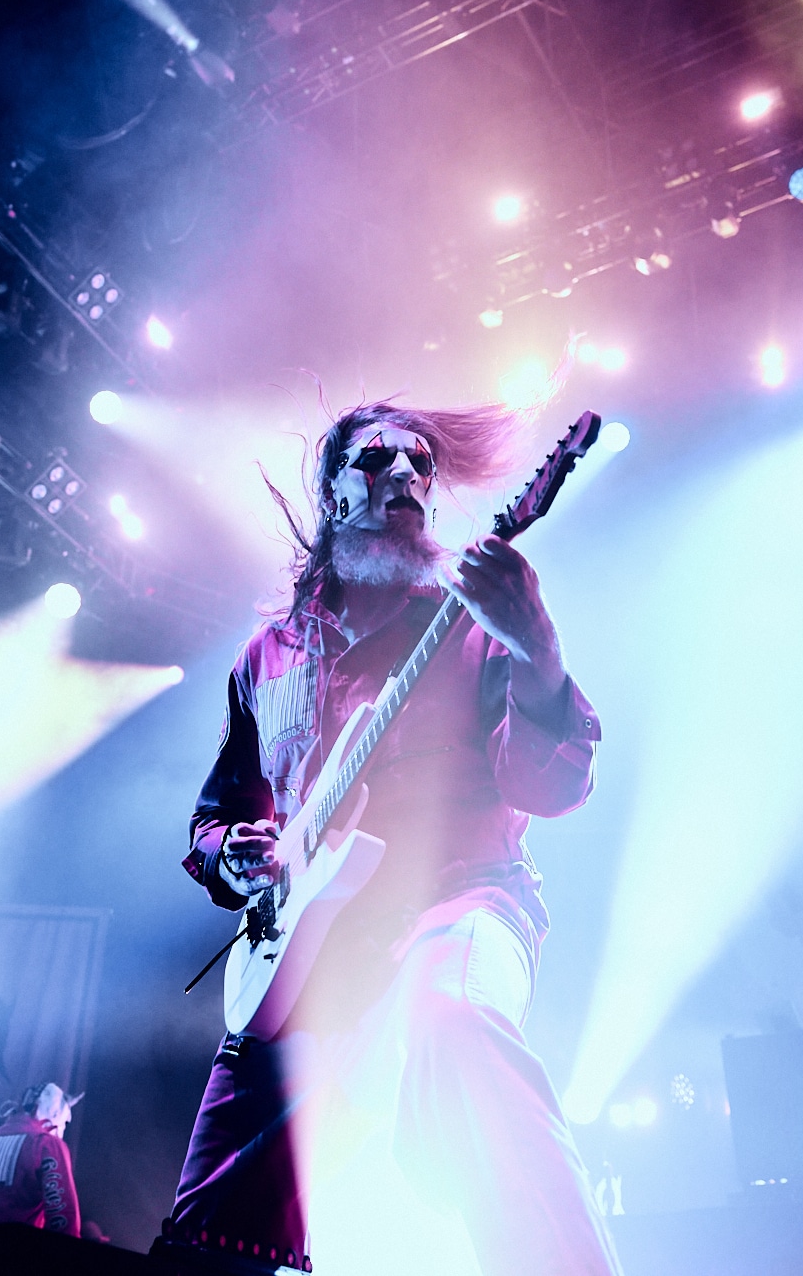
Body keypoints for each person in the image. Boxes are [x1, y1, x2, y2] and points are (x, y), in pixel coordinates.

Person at [153, 403, 618, 1276]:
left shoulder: (473, 621)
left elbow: (551, 787)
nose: (405, 476)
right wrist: (237, 853)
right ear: (332, 491)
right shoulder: (270, 657)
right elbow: (214, 817)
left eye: (420, 467)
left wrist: (539, 649)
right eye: (376, 461)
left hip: (461, 895)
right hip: (311, 946)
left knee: (456, 1023)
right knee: (213, 1209)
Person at [0, 1083, 82, 1237]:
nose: (63, 1129)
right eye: (64, 1123)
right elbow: (64, 1221)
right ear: (56, 1114)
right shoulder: (46, 1144)